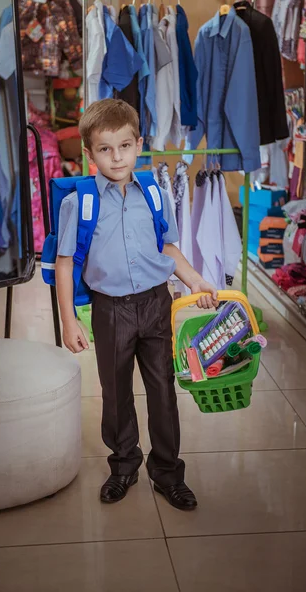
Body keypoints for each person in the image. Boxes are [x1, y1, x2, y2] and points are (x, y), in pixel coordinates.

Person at [56, 99, 218, 511]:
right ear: (89, 153)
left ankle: (167, 472)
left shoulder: (155, 193)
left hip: (155, 303)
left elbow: (168, 247)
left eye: (124, 146)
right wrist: (68, 320)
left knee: (163, 389)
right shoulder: (79, 203)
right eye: (105, 149)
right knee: (116, 392)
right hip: (110, 310)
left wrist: (195, 280)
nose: (116, 157)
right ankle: (124, 465)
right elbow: (63, 263)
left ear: (138, 144)